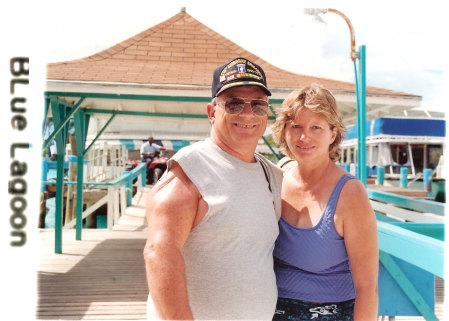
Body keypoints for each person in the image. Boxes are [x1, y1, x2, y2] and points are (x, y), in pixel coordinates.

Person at [143, 57, 283, 320]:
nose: (247, 113)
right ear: (212, 112)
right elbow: (159, 252)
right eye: (234, 103)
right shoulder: (189, 170)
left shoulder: (271, 174)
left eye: (258, 105)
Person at [271, 84, 378, 321]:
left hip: (330, 312)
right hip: (271, 310)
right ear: (284, 131)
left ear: (333, 134)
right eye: (296, 126)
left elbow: (368, 288)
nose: (304, 136)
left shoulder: (350, 194)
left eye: (316, 127)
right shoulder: (278, 174)